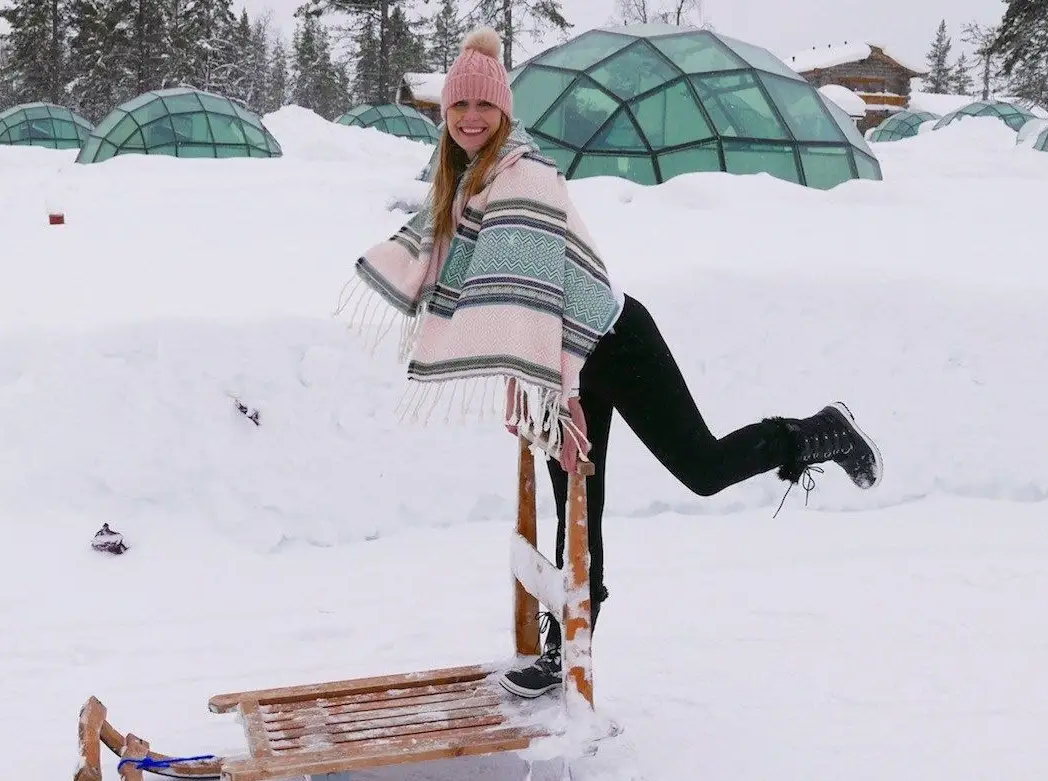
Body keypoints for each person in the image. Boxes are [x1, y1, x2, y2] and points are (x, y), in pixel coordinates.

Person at [337, 27, 884, 699]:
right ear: (446, 118)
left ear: (504, 113)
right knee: (578, 505)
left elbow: (537, 289)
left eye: (483, 108)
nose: (471, 119)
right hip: (561, 361)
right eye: (459, 109)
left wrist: (551, 384)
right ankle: (568, 645)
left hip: (613, 340)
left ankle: (817, 431)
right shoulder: (464, 183)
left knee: (703, 468)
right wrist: (532, 379)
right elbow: (500, 293)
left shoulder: (524, 176)